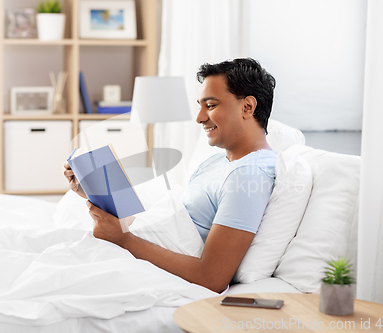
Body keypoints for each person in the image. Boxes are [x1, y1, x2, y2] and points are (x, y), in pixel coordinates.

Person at [63, 58, 277, 293]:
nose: (199, 118)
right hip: (135, 252)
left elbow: (212, 278)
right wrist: (94, 191)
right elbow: (169, 227)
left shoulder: (248, 177)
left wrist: (124, 240)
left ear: (247, 107)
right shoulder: (217, 162)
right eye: (200, 106)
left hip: (143, 266)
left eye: (211, 105)